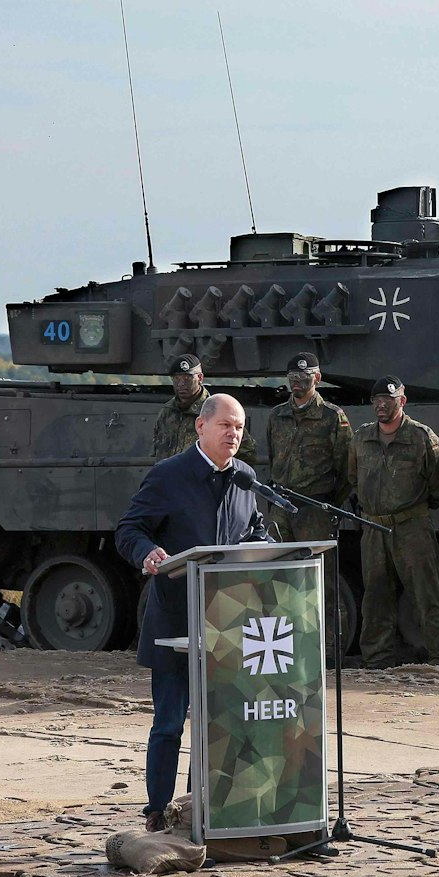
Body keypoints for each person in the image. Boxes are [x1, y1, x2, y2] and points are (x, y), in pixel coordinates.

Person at [115, 393, 266, 832]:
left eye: (239, 427)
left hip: (227, 622)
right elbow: (129, 530)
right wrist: (147, 552)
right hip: (175, 621)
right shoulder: (168, 476)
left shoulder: (245, 478)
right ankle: (157, 810)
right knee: (169, 724)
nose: (233, 434)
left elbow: (254, 528)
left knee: (221, 724)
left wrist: (261, 547)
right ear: (201, 427)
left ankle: (209, 804)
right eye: (225, 426)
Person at [352, 376, 439, 668]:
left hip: (411, 526)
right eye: (377, 400)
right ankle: (377, 659)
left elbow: (436, 484)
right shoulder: (362, 437)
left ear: (402, 401)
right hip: (374, 527)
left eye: (389, 400)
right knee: (376, 597)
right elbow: (353, 479)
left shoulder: (421, 437)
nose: (381, 405)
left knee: (426, 594)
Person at [264, 352, 353, 543]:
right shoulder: (277, 416)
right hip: (280, 508)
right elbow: (273, 459)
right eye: (293, 377)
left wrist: (329, 502)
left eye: (304, 376)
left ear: (317, 378)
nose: (297, 381)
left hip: (314, 508)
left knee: (317, 567)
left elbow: (347, 467)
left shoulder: (332, 417)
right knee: (276, 568)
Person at [151, 353, 258, 463]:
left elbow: (247, 453)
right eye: (176, 378)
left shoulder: (217, 410)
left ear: (200, 378)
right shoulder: (167, 412)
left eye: (187, 378)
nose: (181, 383)